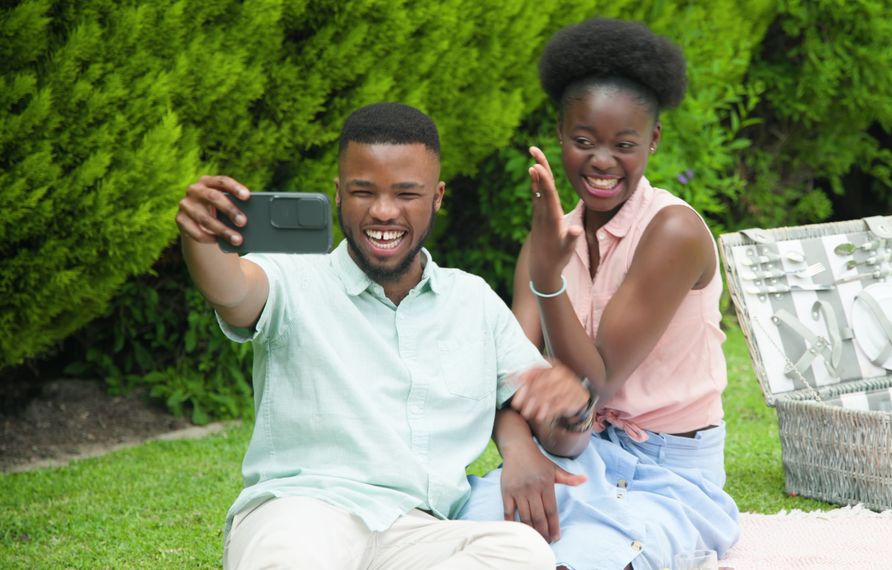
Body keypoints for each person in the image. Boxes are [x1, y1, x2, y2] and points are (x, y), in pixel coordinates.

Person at [175, 102, 591, 569]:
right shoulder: (292, 280)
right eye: (363, 191)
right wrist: (200, 238)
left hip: (419, 533)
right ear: (338, 194)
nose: (383, 212)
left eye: (406, 194)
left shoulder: (473, 302)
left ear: (437, 197)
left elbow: (563, 436)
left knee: (523, 553)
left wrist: (571, 408)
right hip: (302, 514)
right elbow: (230, 290)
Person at [458, 18, 740, 569]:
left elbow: (598, 378)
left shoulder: (672, 233)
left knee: (592, 557)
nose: (602, 161)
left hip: (670, 470)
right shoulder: (547, 240)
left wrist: (547, 279)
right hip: (574, 447)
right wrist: (519, 455)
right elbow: (507, 376)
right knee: (470, 538)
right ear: (560, 135)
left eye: (624, 144)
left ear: (653, 140)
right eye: (584, 141)